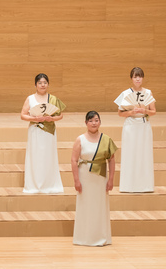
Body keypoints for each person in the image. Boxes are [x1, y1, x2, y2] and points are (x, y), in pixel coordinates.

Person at [71, 111, 117, 246]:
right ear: (86, 123)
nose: (94, 123)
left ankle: (101, 237)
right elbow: (74, 161)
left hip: (101, 177)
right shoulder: (80, 139)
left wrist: (111, 179)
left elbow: (112, 160)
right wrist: (76, 180)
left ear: (100, 122)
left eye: (96, 120)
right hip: (85, 176)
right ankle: (83, 238)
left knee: (100, 206)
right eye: (91, 121)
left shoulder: (106, 139)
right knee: (85, 205)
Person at [21, 73, 66, 193]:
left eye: (45, 83)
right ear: (35, 85)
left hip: (49, 132)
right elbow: (23, 115)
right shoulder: (30, 98)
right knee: (35, 157)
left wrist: (51, 119)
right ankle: (34, 185)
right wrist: (35, 119)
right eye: (40, 83)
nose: (42, 85)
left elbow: (60, 115)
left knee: (48, 156)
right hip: (35, 130)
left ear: (48, 84)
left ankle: (49, 184)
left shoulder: (53, 99)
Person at [115, 67, 156, 192]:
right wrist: (131, 112)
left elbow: (153, 111)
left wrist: (145, 111)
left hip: (144, 125)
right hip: (130, 126)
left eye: (140, 76)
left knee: (144, 154)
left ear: (142, 78)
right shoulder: (126, 93)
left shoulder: (148, 92)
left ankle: (145, 185)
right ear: (131, 78)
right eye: (135, 76)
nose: (138, 79)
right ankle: (128, 185)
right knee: (130, 154)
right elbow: (120, 113)